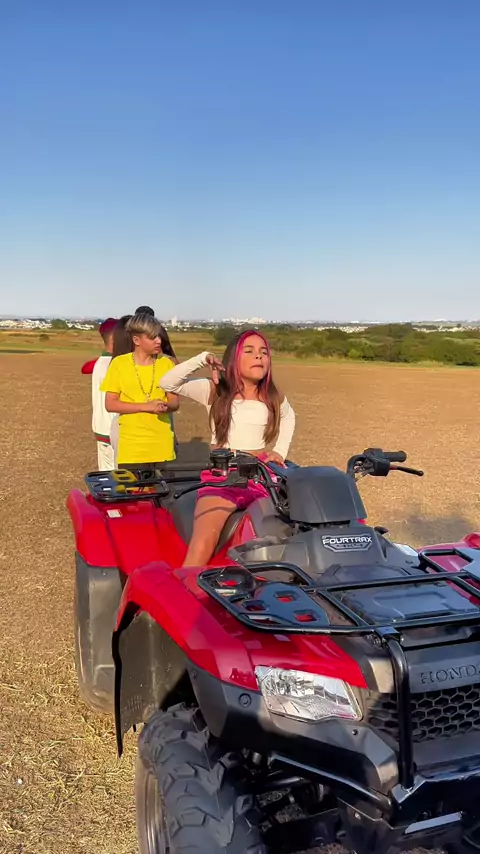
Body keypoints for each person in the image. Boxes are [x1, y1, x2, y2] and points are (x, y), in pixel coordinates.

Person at [160, 329, 295, 566]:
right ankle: (187, 583)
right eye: (249, 351)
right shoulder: (215, 390)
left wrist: (280, 451)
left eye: (264, 352)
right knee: (203, 543)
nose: (259, 356)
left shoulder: (272, 395)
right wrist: (202, 359)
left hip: (261, 475)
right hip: (223, 477)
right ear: (233, 358)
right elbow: (167, 383)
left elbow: (289, 416)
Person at [101, 312, 179, 468]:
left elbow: (175, 403)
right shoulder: (119, 364)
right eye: (152, 337)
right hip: (131, 449)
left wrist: (164, 406)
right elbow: (110, 404)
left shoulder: (167, 365)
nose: (159, 341)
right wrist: (146, 407)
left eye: (158, 336)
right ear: (136, 340)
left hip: (162, 448)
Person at [91, 317, 118, 470]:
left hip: (102, 428)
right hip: (111, 430)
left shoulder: (101, 362)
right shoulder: (113, 365)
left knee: (107, 473)